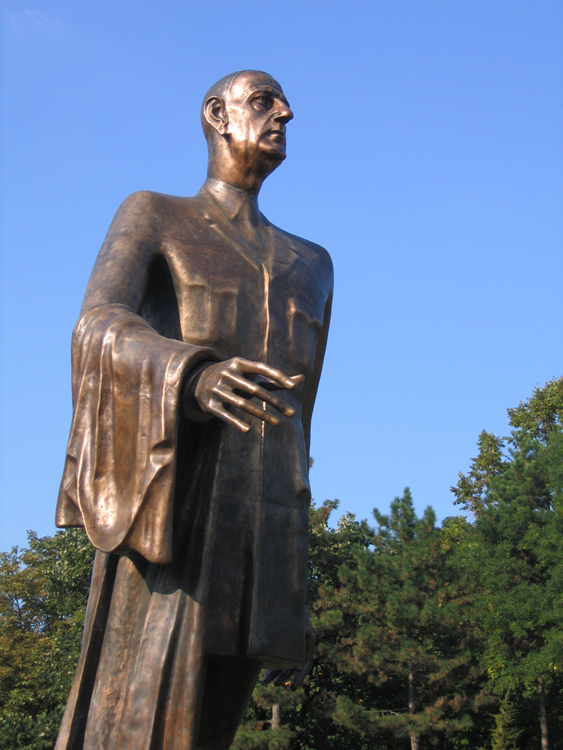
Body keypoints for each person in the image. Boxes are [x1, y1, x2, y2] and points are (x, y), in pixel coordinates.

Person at [55, 70, 333, 750]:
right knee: (140, 710)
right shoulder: (155, 214)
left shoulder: (313, 264)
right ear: (217, 114)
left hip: (266, 506)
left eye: (282, 105)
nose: (285, 114)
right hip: (174, 495)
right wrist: (190, 376)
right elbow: (97, 324)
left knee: (220, 707)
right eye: (264, 101)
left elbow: (307, 402)